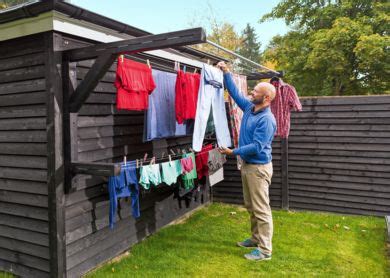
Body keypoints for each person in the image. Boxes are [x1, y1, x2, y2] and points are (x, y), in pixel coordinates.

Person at [216, 61, 277, 261]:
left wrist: (233, 152)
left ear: (266, 98)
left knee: (261, 209)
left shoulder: (266, 120)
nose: (252, 92)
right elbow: (235, 94)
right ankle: (255, 238)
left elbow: (257, 147)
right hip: (249, 166)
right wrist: (226, 72)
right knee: (251, 206)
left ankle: (265, 251)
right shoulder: (251, 109)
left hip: (258, 169)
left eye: (256, 91)